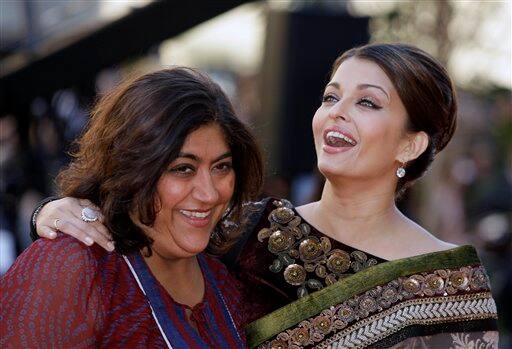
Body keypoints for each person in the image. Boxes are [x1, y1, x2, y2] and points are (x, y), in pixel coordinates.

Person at [28, 44, 499, 348]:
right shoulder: (248, 228)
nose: (337, 114)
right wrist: (57, 210)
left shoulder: (452, 284)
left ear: (411, 144)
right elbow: (133, 236)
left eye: (367, 103)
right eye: (331, 97)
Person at [0, 67, 264, 348]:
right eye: (183, 169)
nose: (209, 194)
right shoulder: (76, 266)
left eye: (221, 167)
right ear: (132, 169)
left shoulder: (228, 274)